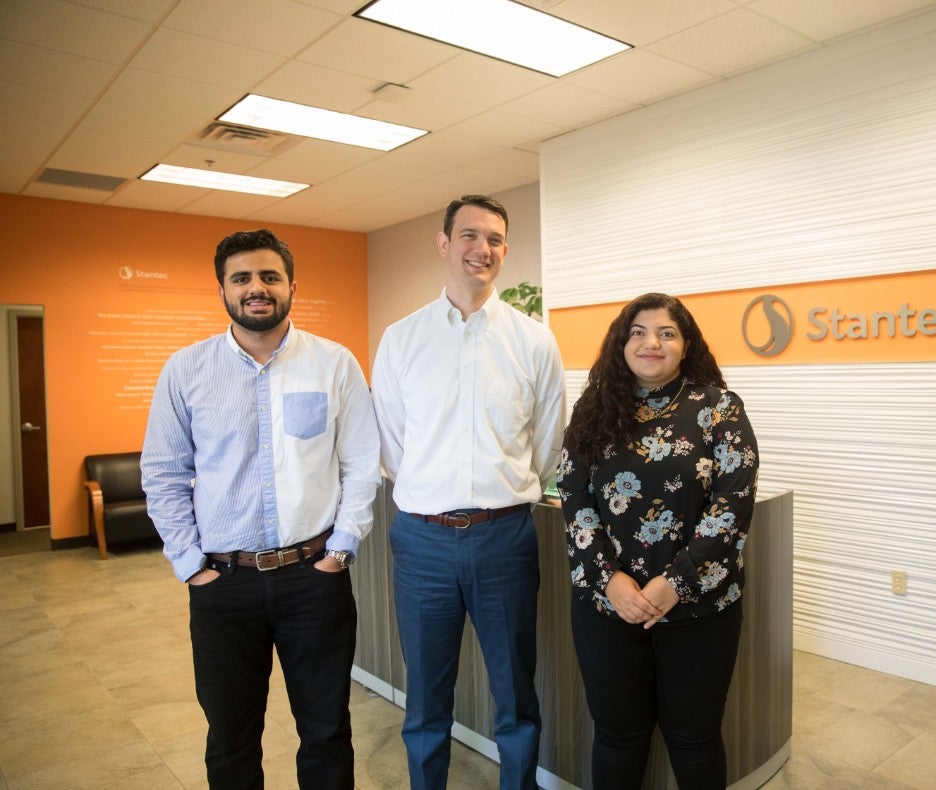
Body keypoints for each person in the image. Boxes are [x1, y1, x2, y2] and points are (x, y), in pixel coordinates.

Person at [141, 229, 381, 790]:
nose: (257, 288)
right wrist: (191, 566)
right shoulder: (186, 370)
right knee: (230, 736)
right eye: (242, 278)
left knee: (325, 730)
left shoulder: (334, 363)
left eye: (269, 276)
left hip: (313, 580)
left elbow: (362, 463)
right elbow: (163, 473)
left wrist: (341, 548)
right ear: (223, 289)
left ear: (291, 285)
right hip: (224, 584)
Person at [370, 195, 566, 789]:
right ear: (444, 242)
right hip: (422, 541)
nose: (482, 249)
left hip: (504, 537)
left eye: (496, 239)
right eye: (469, 235)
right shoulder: (401, 339)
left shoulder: (534, 342)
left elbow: (547, 442)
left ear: (505, 250)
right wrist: (436, 492)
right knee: (426, 698)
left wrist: (498, 491)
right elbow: (392, 446)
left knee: (515, 694)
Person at [556, 292, 759, 789]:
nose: (652, 342)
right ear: (621, 345)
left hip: (700, 609)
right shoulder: (592, 410)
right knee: (618, 737)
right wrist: (610, 580)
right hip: (608, 606)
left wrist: (677, 583)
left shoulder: (719, 408)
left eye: (667, 333)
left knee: (694, 739)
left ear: (686, 345)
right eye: (639, 332)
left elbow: (733, 503)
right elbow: (572, 495)